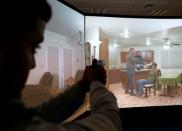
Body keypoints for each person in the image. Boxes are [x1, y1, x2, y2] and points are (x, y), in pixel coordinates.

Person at [1, 0, 122, 131]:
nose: (33, 64)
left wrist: (83, 85)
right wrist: (97, 83)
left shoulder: (11, 116)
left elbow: (44, 114)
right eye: (32, 48)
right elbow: (108, 123)